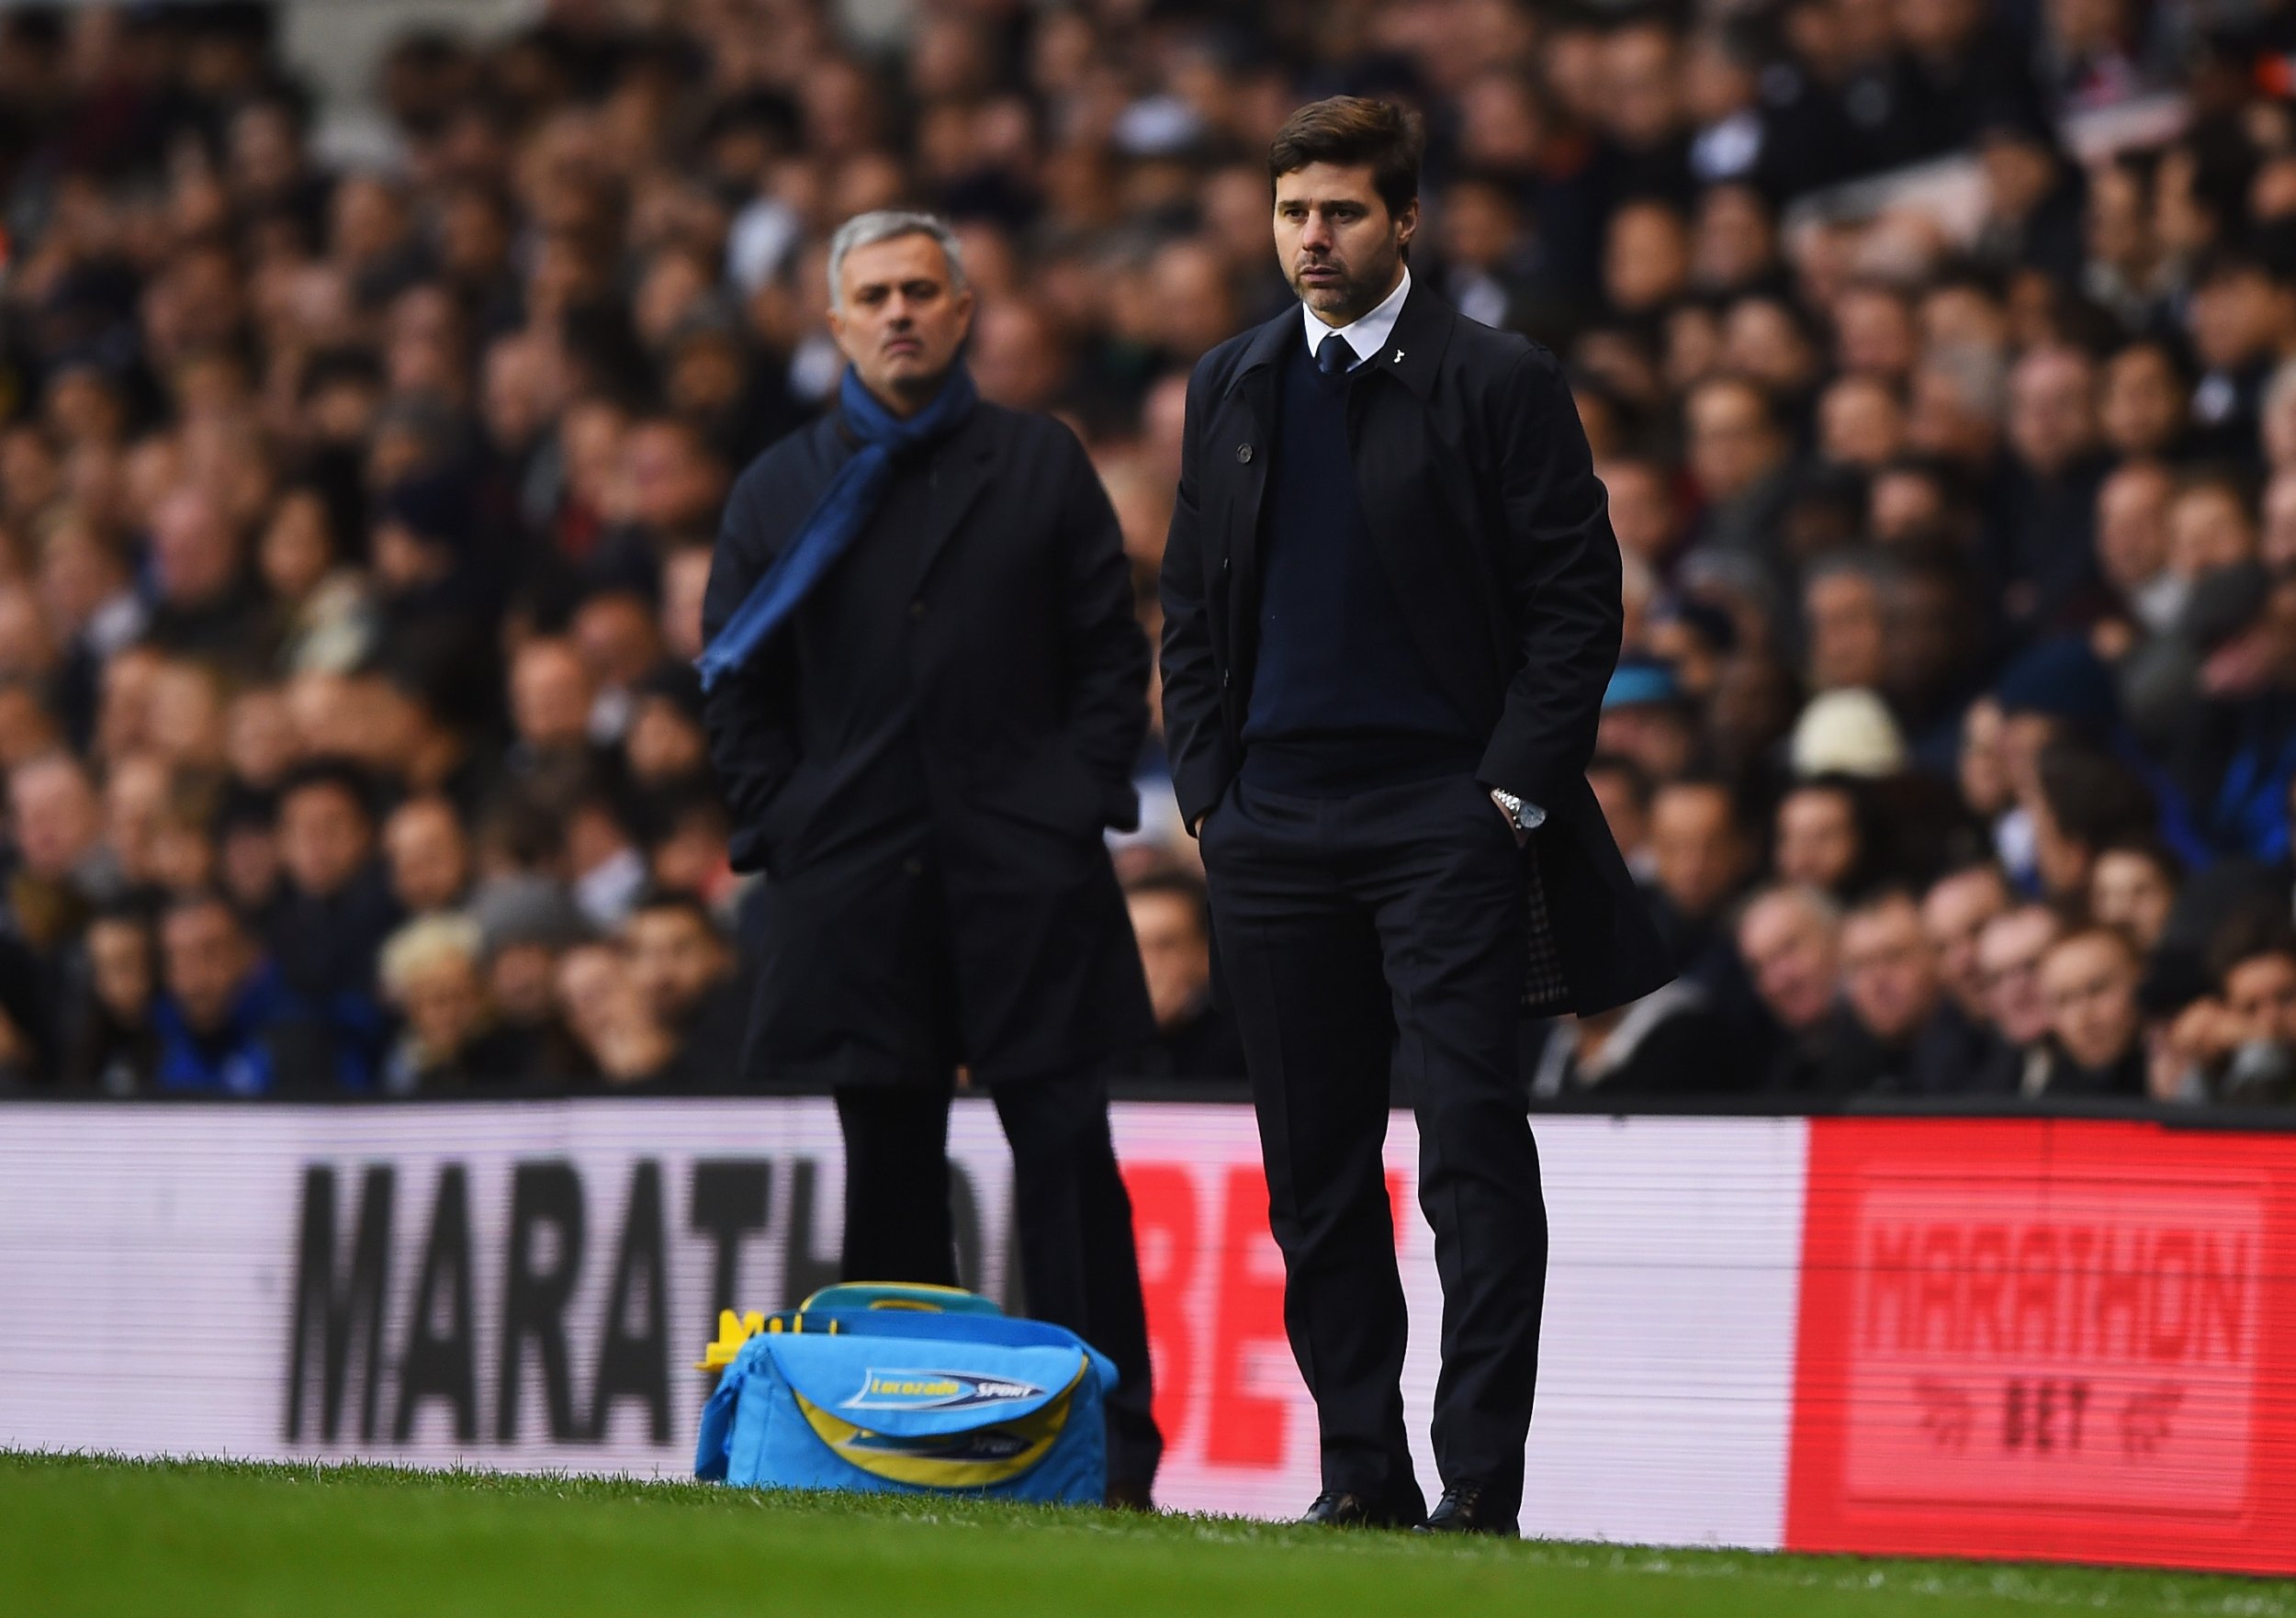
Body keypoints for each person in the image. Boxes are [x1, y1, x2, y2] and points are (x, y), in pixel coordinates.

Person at [1160, 98, 1671, 1535]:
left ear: (1405, 223)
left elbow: (1580, 605)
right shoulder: (1233, 383)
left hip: (1443, 820)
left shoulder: (1499, 381)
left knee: (1469, 1150)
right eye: (1290, 214)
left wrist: (1503, 793)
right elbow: (1191, 608)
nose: (1310, 239)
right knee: (1314, 1172)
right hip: (1272, 829)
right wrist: (1212, 796)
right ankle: (1360, 1474)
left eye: (1339, 212)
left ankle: (1480, 1491)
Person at [699, 209, 1162, 1504]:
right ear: (837, 324)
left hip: (1030, 880)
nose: (900, 312)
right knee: (890, 1178)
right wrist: (789, 825)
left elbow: (1108, 654)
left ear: (964, 314)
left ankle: (1116, 1459)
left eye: (921, 290)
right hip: (854, 886)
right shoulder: (776, 487)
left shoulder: (1039, 463)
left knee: (1069, 1164)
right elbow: (735, 688)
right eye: (874, 296)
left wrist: (1066, 804)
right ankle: (905, 1456)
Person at [1123, 869, 1245, 1081]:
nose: (1144, 963)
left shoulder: (1248, 1038)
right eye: (1132, 946)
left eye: (1164, 945)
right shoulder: (1094, 1038)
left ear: (1206, 951)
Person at [623, 886, 748, 1090]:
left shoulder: (747, 1030)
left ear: (721, 956)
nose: (660, 974)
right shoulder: (616, 1033)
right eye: (644, 954)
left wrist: (661, 1069)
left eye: (680, 951)